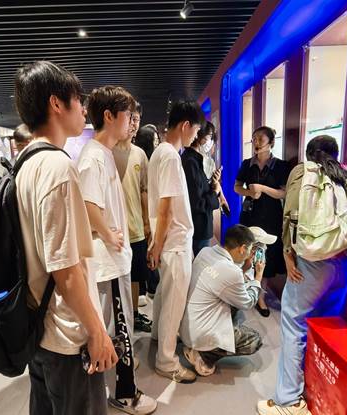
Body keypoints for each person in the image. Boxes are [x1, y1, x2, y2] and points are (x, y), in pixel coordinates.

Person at [14, 60, 118, 415]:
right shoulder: (58, 167)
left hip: (39, 327)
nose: (84, 108)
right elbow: (67, 272)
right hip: (68, 334)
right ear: (56, 104)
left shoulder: (25, 163)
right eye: (78, 99)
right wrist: (97, 332)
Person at [257, 135, 347, 415]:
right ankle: (316, 394)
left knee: (294, 324)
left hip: (310, 264)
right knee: (325, 327)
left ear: (308, 153)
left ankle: (289, 401)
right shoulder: (344, 176)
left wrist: (288, 255)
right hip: (342, 263)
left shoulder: (302, 172)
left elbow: (290, 214)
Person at [77, 86, 157, 415]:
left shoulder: (103, 153)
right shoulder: (94, 156)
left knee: (118, 327)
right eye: (127, 115)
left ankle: (115, 390)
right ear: (109, 116)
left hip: (114, 260)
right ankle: (124, 394)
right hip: (107, 263)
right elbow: (88, 205)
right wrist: (109, 234)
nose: (131, 122)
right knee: (118, 328)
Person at [147, 100, 204, 383]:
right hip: (175, 241)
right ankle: (166, 361)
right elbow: (166, 207)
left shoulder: (160, 152)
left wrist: (155, 242)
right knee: (173, 302)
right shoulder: (170, 155)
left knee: (164, 295)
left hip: (167, 240)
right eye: (196, 131)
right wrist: (158, 245)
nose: (196, 136)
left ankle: (159, 338)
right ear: (185, 126)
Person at [180, 225, 275, 376]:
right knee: (254, 340)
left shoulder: (206, 251)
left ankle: (203, 345)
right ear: (243, 248)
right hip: (199, 335)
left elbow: (224, 282)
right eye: (253, 249)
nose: (253, 254)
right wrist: (258, 276)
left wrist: (244, 269)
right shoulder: (231, 271)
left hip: (187, 325)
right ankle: (203, 355)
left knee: (234, 304)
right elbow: (248, 303)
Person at [234, 126, 290, 317]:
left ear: (271, 143)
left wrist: (262, 189)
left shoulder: (280, 165)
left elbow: (284, 192)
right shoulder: (247, 164)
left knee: (267, 256)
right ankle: (242, 288)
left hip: (271, 216)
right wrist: (250, 193)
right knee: (246, 250)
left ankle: (260, 297)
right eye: (254, 139)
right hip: (250, 215)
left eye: (260, 139)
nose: (256, 143)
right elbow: (236, 187)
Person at [112, 103, 153, 334]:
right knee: (119, 276)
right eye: (130, 118)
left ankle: (134, 315)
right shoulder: (107, 152)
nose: (134, 124)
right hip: (116, 230)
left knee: (137, 275)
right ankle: (121, 317)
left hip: (136, 228)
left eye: (137, 119)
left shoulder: (140, 154)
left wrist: (147, 222)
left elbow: (144, 190)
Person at [181, 125, 221, 256]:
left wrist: (213, 183)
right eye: (209, 136)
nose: (210, 141)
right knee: (201, 262)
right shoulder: (191, 161)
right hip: (198, 225)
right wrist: (215, 192)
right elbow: (197, 202)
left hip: (199, 223)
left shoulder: (195, 159)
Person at [133, 124, 160, 298]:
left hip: (149, 214)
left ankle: (148, 286)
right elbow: (144, 191)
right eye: (155, 140)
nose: (157, 144)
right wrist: (146, 220)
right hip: (143, 214)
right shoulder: (142, 160)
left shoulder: (151, 160)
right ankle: (147, 287)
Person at [196, 121, 230, 216]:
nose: (209, 141)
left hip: (208, 203)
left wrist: (222, 198)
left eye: (211, 137)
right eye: (207, 136)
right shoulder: (191, 159)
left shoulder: (210, 161)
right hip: (197, 204)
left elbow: (214, 183)